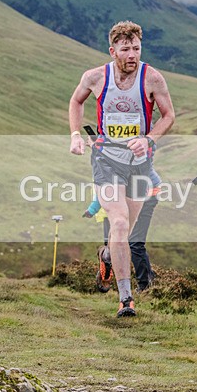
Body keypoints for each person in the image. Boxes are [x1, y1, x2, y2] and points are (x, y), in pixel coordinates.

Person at [69, 21, 174, 317]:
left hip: (139, 163)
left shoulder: (152, 78)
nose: (132, 55)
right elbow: (76, 101)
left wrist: (148, 138)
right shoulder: (95, 77)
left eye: (137, 48)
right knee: (117, 222)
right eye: (126, 49)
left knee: (124, 233)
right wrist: (76, 135)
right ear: (112, 50)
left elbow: (168, 116)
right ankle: (125, 298)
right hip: (106, 159)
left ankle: (106, 255)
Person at [83, 165, 160, 292]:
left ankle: (145, 285)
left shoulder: (117, 154)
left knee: (134, 242)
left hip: (146, 194)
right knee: (122, 240)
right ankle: (117, 278)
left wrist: (93, 208)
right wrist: (93, 208)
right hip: (131, 193)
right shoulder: (106, 157)